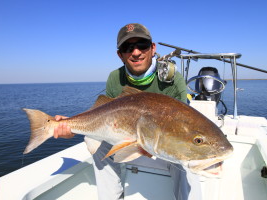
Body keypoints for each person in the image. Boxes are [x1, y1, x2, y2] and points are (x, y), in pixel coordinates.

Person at [53, 23, 201, 200]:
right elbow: (102, 114)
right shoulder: (115, 78)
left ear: (153, 48)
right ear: (120, 55)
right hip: (131, 141)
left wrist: (149, 145)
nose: (136, 52)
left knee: (188, 160)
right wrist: (71, 126)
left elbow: (181, 127)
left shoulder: (172, 79)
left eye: (142, 45)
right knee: (96, 142)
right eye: (127, 47)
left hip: (159, 144)